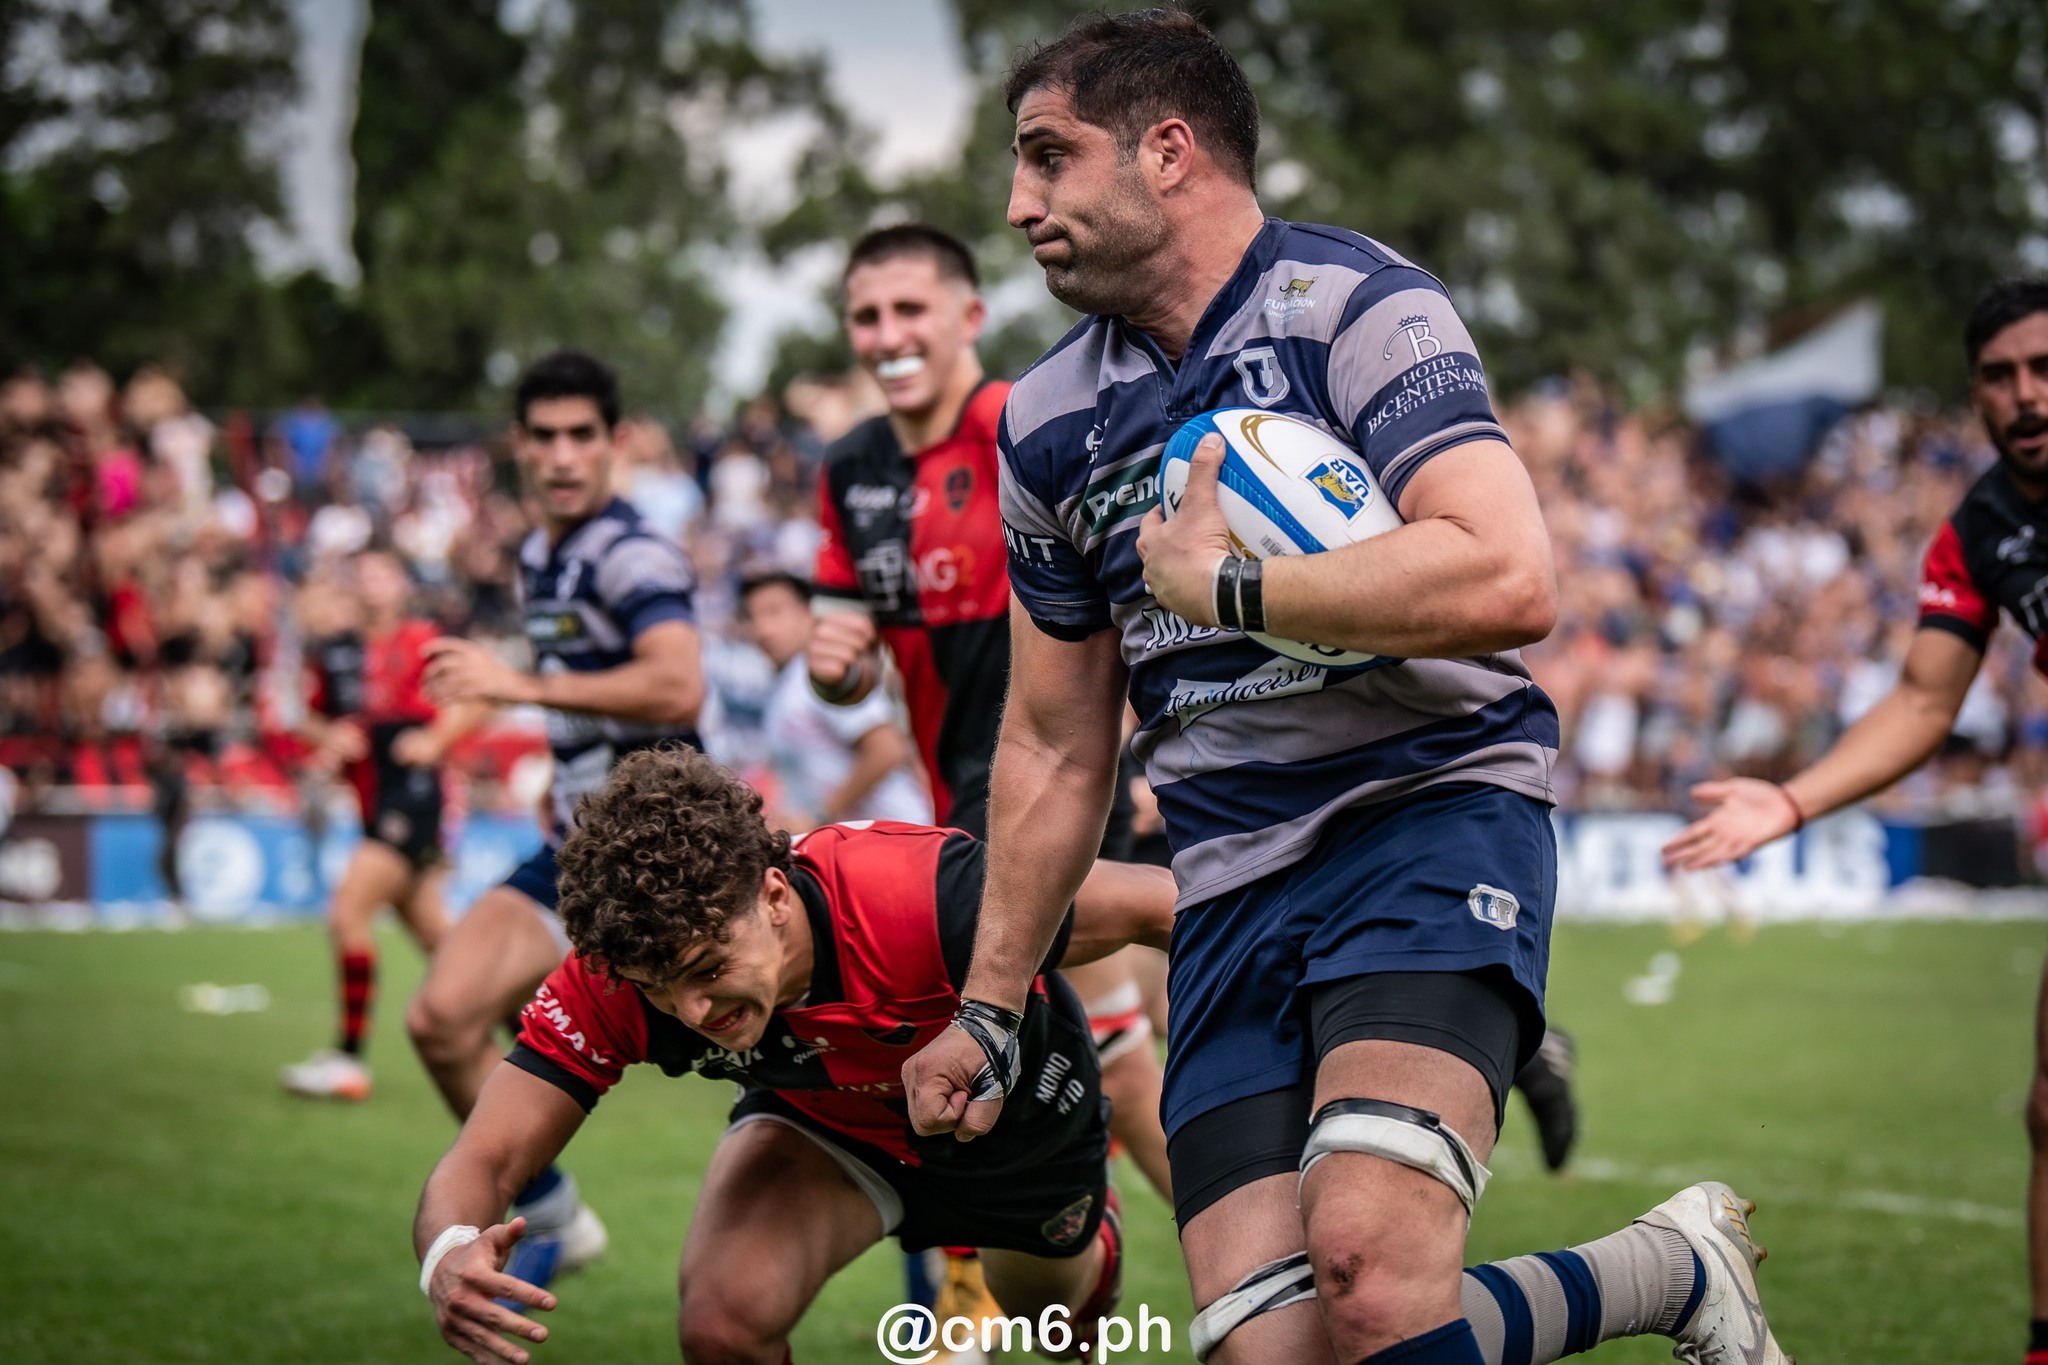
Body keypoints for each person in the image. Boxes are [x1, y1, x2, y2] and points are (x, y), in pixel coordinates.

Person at [901, 12, 1784, 1365]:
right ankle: (1665, 1270)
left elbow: (1507, 574)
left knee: (1369, 1270)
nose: (1020, 204)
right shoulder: (1046, 421)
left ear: (1167, 151)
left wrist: (1233, 591)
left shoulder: (1360, 307)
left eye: (1048, 157)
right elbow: (1052, 745)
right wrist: (990, 1003)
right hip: (1223, 883)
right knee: (1273, 1349)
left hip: (1422, 818)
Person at [414, 746, 1158, 1365]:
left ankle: (1093, 1239)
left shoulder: (910, 893)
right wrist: (448, 1251)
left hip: (1017, 1128)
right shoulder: (616, 976)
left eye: (708, 968)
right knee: (721, 1326)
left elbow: (1163, 903)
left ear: (774, 896)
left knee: (1058, 1331)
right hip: (827, 1125)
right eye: (659, 988)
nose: (693, 1011)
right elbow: (486, 1156)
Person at [1666, 276, 2048, 1365]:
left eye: (2042, 369)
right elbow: (1924, 701)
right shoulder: (1980, 528)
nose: (2024, 395)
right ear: (1974, 393)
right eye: (1998, 376)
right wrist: (1790, 798)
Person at [807, 225, 1176, 1340]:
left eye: (909, 310)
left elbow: (1124, 601)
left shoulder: (1029, 424)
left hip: (1053, 785)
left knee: (1048, 1051)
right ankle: (1241, 1269)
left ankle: (977, 1307)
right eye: (867, 316)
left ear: (967, 317)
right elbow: (841, 647)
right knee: (1095, 1060)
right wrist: (833, 666)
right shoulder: (851, 468)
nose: (887, 335)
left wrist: (1139, 744)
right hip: (954, 806)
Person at [413, 350, 706, 1297]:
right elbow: (584, 697)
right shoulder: (541, 553)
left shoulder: (633, 551)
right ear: (518, 446)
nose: (563, 455)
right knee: (440, 1019)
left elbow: (677, 684)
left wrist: (517, 686)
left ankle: (949, 1284)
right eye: (544, 437)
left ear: (617, 442)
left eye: (583, 434)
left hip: (665, 855)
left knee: (816, 1067)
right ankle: (552, 1211)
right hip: (579, 844)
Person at [281, 547, 484, 1100]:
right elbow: (308, 719)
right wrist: (328, 736)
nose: (371, 584)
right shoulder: (337, 652)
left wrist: (437, 739)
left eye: (381, 574)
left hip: (414, 798)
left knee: (347, 913)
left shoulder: (424, 641)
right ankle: (540, 1035)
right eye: (363, 575)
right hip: (372, 800)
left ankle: (348, 1060)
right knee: (440, 939)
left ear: (401, 584)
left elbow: (481, 700)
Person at [738, 571, 930, 830]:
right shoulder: (787, 682)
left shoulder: (826, 672)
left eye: (774, 612)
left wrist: (819, 817)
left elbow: (888, 749)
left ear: (809, 613)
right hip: (860, 839)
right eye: (752, 617)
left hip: (894, 835)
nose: (762, 629)